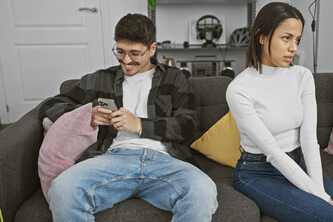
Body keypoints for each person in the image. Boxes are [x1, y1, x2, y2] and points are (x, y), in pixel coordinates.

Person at [38, 13, 218, 222]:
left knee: (203, 191)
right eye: (120, 51)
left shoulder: (174, 77)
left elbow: (187, 126)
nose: (126, 60)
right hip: (112, 159)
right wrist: (88, 114)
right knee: (63, 189)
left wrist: (140, 125)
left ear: (152, 49)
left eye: (135, 53)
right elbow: (49, 107)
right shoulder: (100, 79)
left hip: (165, 161)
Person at [226, 2, 333, 222]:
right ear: (262, 36)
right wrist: (323, 198)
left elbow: (309, 140)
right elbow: (274, 153)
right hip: (257, 173)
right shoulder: (239, 89)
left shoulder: (302, 76)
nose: (293, 47)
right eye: (286, 38)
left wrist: (319, 190)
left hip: (299, 164)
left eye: (297, 39)